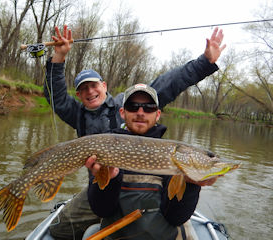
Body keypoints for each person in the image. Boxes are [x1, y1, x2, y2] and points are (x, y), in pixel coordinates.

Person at [44, 25, 225, 239]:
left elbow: (170, 83)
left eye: (93, 86)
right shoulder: (78, 114)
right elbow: (55, 97)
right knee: (60, 228)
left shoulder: (127, 103)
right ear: (79, 95)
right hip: (103, 181)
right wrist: (58, 57)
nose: (90, 91)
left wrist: (204, 63)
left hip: (148, 177)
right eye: (83, 89)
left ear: (104, 86)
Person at [85, 84, 219, 239]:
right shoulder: (104, 148)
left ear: (157, 114)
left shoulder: (171, 154)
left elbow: (176, 218)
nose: (140, 112)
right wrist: (111, 177)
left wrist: (191, 185)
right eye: (133, 106)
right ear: (122, 112)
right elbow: (102, 211)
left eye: (149, 107)